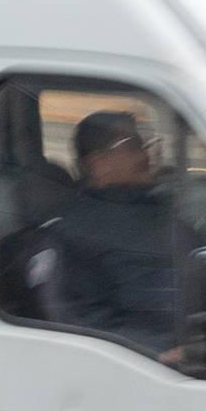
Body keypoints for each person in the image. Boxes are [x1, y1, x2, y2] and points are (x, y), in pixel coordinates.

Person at [43, 107, 181, 351]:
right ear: (98, 163)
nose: (146, 155)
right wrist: (161, 352)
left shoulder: (159, 211)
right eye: (133, 146)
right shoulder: (73, 233)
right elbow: (86, 324)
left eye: (145, 144)